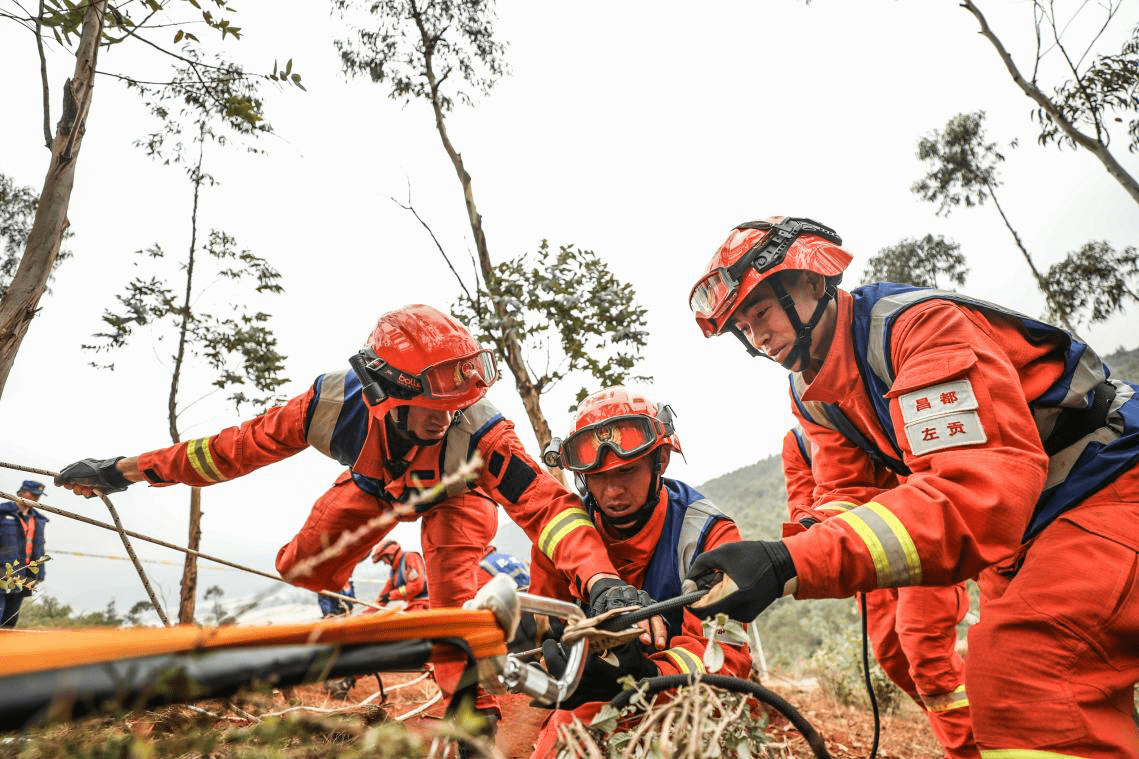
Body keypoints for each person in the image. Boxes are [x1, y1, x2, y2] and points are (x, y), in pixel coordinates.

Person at [54, 304, 662, 726]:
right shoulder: (327, 407)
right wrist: (125, 471)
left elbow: (548, 509)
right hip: (373, 488)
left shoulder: (482, 433)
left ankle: (469, 703)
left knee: (453, 594)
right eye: (430, 406)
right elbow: (227, 451)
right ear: (383, 393)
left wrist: (601, 581)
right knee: (301, 568)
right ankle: (395, 618)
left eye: (455, 404)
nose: (444, 418)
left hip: (458, 498)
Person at [685, 216, 1139, 755]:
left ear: (812, 281)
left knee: (1026, 678)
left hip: (1106, 483)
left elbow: (975, 496)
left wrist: (791, 564)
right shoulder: (812, 392)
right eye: (742, 327)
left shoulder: (920, 330)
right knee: (1010, 687)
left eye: (760, 312)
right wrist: (785, 553)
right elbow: (846, 493)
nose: (757, 337)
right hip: (1031, 527)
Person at [530, 387, 751, 757]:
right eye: (598, 476)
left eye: (627, 470)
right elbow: (545, 630)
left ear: (660, 461)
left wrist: (647, 674)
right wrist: (562, 667)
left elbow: (726, 657)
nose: (613, 489)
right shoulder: (562, 538)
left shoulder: (709, 534)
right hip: (586, 705)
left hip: (684, 702)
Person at [783, 427, 977, 757]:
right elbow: (806, 502)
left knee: (924, 650)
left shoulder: (881, 402)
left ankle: (970, 748)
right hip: (869, 555)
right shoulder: (798, 443)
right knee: (892, 657)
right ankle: (963, 724)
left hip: (922, 538)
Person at [0, 481, 49, 628]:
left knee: (10, 621)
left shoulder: (38, 519)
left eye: (38, 496)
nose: (35, 498)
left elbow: (39, 549)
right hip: (2, 570)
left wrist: (39, 574)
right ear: (21, 492)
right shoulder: (2, 512)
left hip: (23, 574)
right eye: (33, 494)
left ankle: (5, 650)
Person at [370, 538, 430, 611]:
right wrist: (365, 614)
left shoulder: (410, 557)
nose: (385, 563)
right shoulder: (394, 572)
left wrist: (390, 596)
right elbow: (384, 595)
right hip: (413, 605)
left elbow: (416, 586)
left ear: (390, 555)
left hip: (426, 604)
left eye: (383, 559)